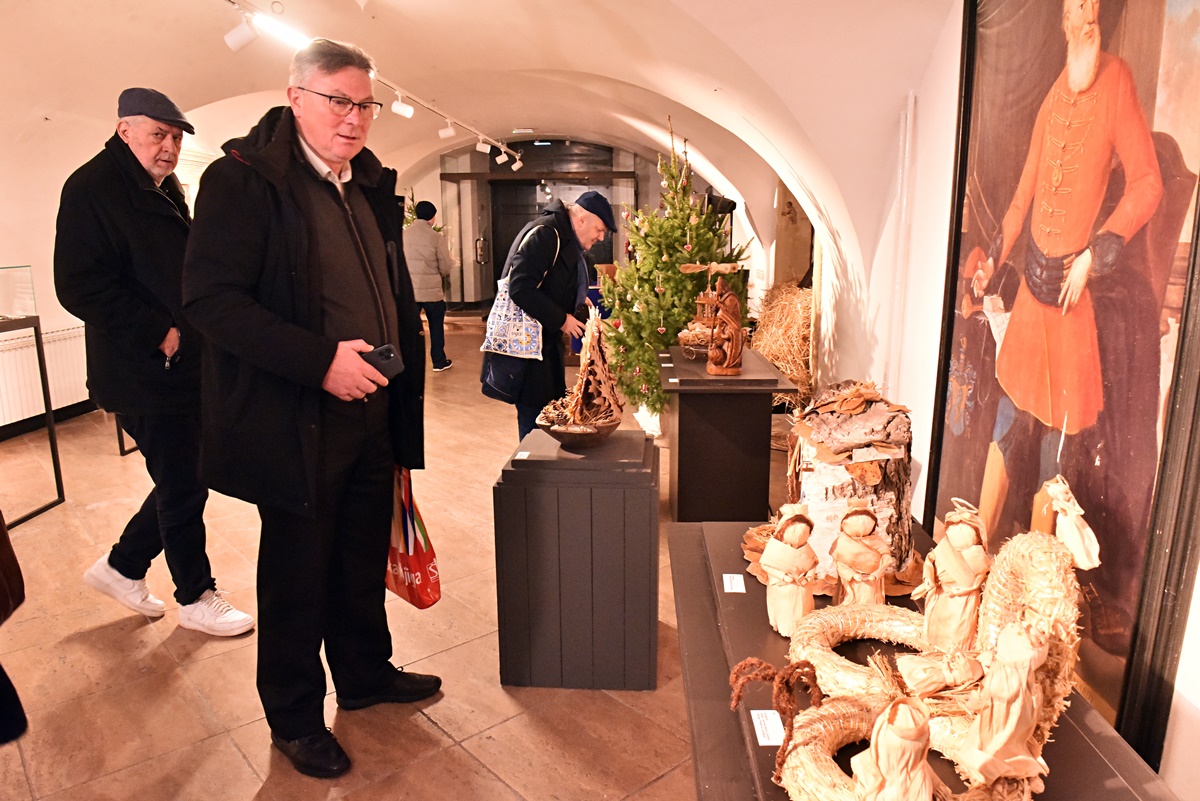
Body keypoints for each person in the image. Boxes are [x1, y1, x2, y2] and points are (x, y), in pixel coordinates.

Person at [182, 39, 439, 779]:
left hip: (373, 407)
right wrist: (320, 360)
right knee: (298, 573)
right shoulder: (244, 181)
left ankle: (364, 674)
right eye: (338, 101)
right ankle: (294, 715)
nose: (353, 118)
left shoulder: (367, 183)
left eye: (365, 105)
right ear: (295, 98)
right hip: (298, 417)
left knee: (358, 555)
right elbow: (211, 301)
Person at [53, 88, 254, 638]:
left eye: (175, 138)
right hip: (141, 368)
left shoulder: (163, 187)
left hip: (181, 363)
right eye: (158, 134)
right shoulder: (92, 187)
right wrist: (159, 333)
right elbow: (78, 284)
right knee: (185, 481)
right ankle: (196, 596)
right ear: (125, 131)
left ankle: (122, 567)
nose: (169, 147)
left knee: (185, 475)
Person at [969, 0, 1162, 553]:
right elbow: (1023, 195)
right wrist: (993, 261)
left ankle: (1037, 573)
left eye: (1095, 5)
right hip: (1032, 297)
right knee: (1008, 420)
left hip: (1073, 299)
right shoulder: (1055, 93)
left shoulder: (1117, 81)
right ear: (1065, 20)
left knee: (1057, 445)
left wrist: (1096, 253)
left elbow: (1148, 183)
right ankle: (976, 550)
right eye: (1079, 5)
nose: (1089, 13)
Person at [507, 190, 616, 439]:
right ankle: (534, 462)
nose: (601, 237)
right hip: (530, 350)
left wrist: (576, 298)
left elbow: (551, 280)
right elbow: (520, 288)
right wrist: (562, 319)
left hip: (545, 347)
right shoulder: (547, 234)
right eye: (599, 230)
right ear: (582, 219)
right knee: (536, 421)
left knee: (550, 413)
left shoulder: (563, 234)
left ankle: (545, 459)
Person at [403, 200, 455, 371]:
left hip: (411, 291)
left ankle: (409, 362)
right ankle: (438, 362)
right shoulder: (436, 238)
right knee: (436, 327)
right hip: (432, 292)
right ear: (432, 217)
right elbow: (445, 266)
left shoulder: (404, 235)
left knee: (410, 329)